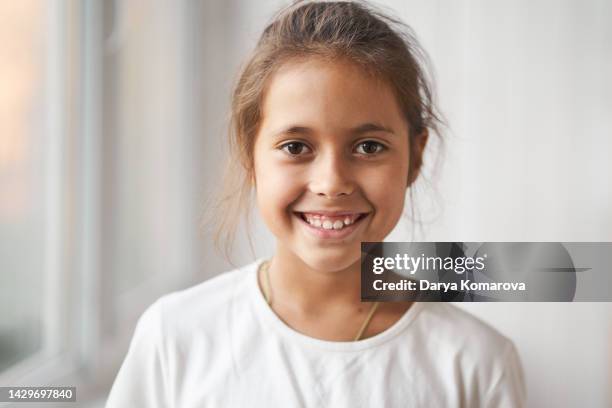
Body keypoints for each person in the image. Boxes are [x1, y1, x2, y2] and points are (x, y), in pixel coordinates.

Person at [106, 1, 526, 406]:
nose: (331, 183)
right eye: (295, 146)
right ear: (249, 154)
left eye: (368, 146)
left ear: (414, 157)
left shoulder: (476, 364)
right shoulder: (176, 336)